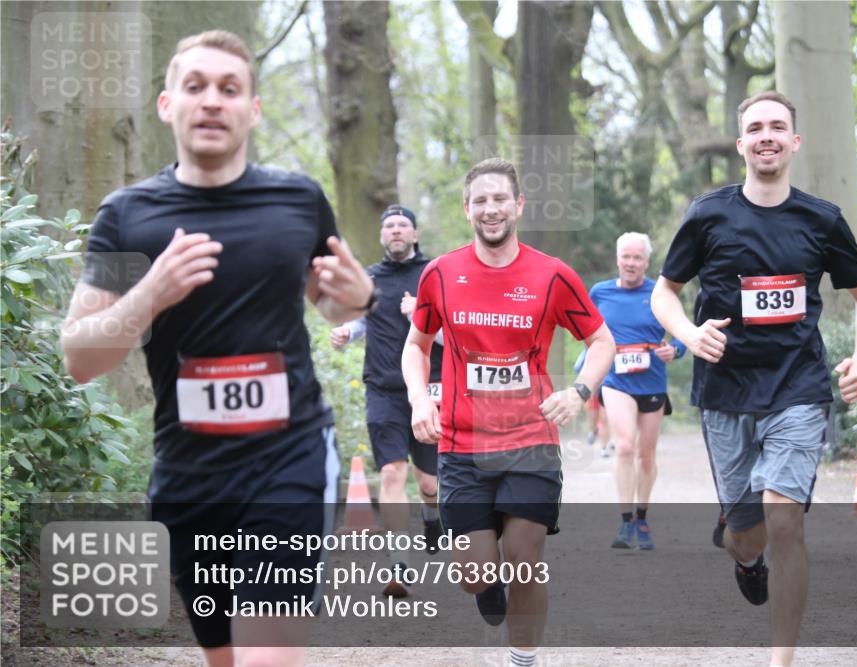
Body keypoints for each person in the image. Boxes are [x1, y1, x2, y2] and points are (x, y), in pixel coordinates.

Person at [60, 31, 374, 667]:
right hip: (188, 473)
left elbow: (333, 301)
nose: (212, 102)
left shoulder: (297, 201)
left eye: (229, 90)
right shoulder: (128, 217)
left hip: (290, 458)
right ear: (166, 104)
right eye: (196, 87)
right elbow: (80, 357)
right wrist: (149, 293)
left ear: (252, 110)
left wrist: (361, 297)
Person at [651, 91, 857, 667]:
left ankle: (782, 660)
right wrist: (687, 333)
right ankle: (742, 551)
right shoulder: (708, 214)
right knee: (750, 537)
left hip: (797, 386)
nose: (767, 136)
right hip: (726, 392)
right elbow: (665, 292)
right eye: (755, 128)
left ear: (794, 141)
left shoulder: (821, 219)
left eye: (778, 126)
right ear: (741, 144)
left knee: (785, 521)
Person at [401, 158, 615, 667]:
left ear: (518, 205)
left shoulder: (552, 275)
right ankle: (486, 584)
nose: (490, 209)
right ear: (467, 208)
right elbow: (416, 344)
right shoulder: (441, 274)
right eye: (480, 200)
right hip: (460, 444)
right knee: (474, 575)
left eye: (500, 199)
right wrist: (417, 397)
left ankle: (523, 659)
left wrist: (579, 391)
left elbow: (601, 340)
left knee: (525, 561)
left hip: (530, 442)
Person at [330, 204, 445, 596]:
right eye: (390, 226)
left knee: (429, 482)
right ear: (382, 236)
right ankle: (399, 565)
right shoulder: (370, 278)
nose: (396, 231)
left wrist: (422, 315)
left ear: (414, 234)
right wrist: (347, 332)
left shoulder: (435, 275)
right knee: (393, 474)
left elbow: (455, 334)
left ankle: (432, 515)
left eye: (403, 225)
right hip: (383, 389)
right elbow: (363, 321)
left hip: (430, 391)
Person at [590, 232, 686, 551]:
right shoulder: (600, 293)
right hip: (617, 381)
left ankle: (642, 517)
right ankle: (625, 520)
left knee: (646, 456)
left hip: (652, 383)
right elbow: (585, 330)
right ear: (618, 259)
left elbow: (683, 333)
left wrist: (676, 350)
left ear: (647, 261)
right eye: (626, 257)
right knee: (624, 447)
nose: (631, 263)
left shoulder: (660, 293)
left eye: (637, 258)